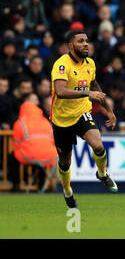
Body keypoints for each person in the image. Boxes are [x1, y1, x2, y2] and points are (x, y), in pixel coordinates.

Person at [50, 30, 118, 209]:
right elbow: (61, 91)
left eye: (87, 40)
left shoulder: (90, 64)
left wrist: (108, 110)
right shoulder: (62, 64)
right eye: (81, 41)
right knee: (65, 161)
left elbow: (94, 84)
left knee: (98, 145)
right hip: (61, 119)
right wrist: (88, 93)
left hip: (82, 112)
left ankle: (102, 174)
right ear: (71, 46)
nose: (86, 44)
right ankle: (67, 192)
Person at [12, 93, 58, 189]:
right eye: (35, 99)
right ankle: (42, 186)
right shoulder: (46, 121)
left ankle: (16, 185)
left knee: (13, 156)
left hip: (28, 155)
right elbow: (53, 140)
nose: (37, 102)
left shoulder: (20, 122)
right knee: (40, 163)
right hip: (49, 155)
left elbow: (16, 144)